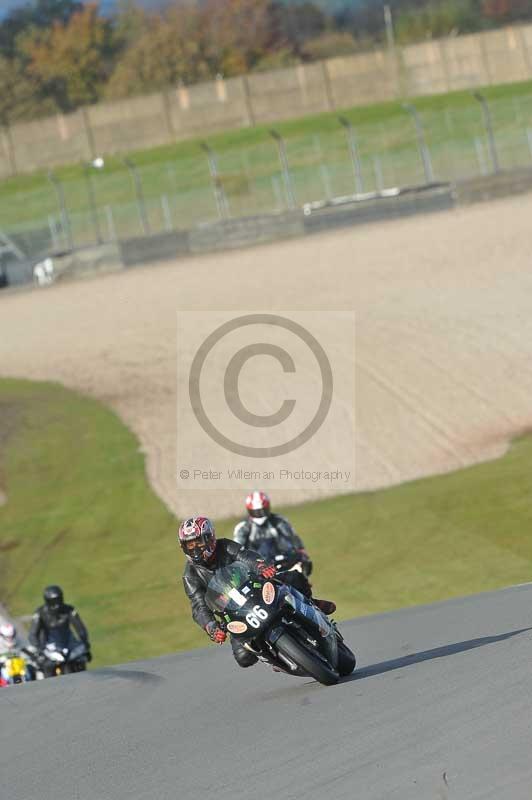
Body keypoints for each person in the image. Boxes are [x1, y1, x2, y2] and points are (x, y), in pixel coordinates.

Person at [180, 516, 335, 669]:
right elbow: (198, 606)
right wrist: (211, 626)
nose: (195, 548)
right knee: (244, 658)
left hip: (255, 589)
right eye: (189, 545)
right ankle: (278, 656)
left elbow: (246, 556)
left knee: (294, 578)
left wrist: (261, 566)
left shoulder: (225, 546)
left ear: (210, 538)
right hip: (233, 614)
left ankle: (313, 604)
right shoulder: (190, 575)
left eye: (198, 542)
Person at [233, 490, 313, 592]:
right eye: (256, 512)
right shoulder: (242, 528)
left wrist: (301, 552)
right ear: (249, 511)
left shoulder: (280, 521)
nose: (260, 514)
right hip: (260, 568)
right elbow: (238, 551)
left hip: (284, 562)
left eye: (263, 510)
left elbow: (293, 538)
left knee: (303, 583)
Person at [27, 586, 91, 677]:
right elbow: (32, 634)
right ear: (48, 601)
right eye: (54, 601)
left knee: (81, 659)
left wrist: (84, 641)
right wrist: (39, 649)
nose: (57, 604)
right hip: (49, 646)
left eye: (59, 600)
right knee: (46, 665)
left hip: (69, 643)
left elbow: (80, 628)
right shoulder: (40, 613)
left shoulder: (69, 610)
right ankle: (49, 686)